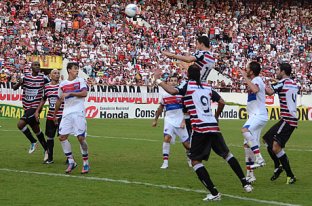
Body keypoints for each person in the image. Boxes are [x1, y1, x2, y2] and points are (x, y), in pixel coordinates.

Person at [154, 64, 253, 201]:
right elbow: (222, 102)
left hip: (200, 128)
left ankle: (214, 193)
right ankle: (245, 183)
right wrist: (216, 116)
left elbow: (172, 91)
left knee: (195, 161)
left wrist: (158, 80)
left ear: (188, 75)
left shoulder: (187, 85)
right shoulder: (207, 86)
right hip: (213, 125)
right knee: (227, 154)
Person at [263, 63, 298, 184]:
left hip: (288, 119)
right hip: (288, 118)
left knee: (276, 147)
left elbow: (269, 92)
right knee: (267, 139)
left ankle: (290, 175)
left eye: (278, 70)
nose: (277, 72)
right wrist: (275, 82)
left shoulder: (283, 83)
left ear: (282, 72)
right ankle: (278, 166)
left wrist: (260, 82)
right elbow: (283, 88)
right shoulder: (293, 83)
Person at [53, 62, 89, 174]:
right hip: (66, 114)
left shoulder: (80, 81)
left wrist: (71, 94)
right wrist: (54, 115)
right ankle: (71, 161)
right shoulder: (63, 84)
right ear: (69, 70)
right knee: (62, 137)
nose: (77, 71)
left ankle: (86, 163)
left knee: (81, 139)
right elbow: (59, 99)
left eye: (77, 69)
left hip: (78, 112)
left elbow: (84, 93)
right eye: (74, 69)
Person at [152, 75, 191, 169]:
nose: (173, 82)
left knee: (187, 145)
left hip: (180, 120)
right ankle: (165, 162)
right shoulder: (164, 94)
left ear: (177, 82)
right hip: (169, 120)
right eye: (171, 81)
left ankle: (189, 158)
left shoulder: (181, 94)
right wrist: (155, 119)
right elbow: (161, 107)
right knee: (167, 138)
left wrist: (184, 121)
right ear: (168, 82)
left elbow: (187, 109)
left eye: (175, 81)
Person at [13, 61, 49, 160]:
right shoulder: (25, 77)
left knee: (20, 124)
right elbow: (14, 88)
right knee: (36, 129)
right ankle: (47, 150)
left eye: (38, 65)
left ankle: (33, 142)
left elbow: (49, 88)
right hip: (27, 106)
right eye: (35, 65)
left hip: (36, 107)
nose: (37, 67)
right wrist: (19, 83)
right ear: (31, 67)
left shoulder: (44, 78)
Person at [239, 62, 268, 183]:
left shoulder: (256, 79)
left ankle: (259, 158)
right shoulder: (257, 80)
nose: (246, 70)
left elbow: (255, 89)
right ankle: (250, 174)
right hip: (254, 116)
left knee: (244, 130)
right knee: (247, 145)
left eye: (247, 69)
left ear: (251, 71)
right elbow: (267, 91)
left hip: (258, 115)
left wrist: (245, 77)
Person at [35, 69, 64, 164]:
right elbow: (43, 100)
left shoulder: (62, 86)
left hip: (62, 116)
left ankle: (69, 157)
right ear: (50, 76)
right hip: (50, 116)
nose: (57, 75)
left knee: (63, 137)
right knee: (50, 138)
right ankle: (50, 158)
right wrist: (37, 111)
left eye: (58, 73)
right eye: (55, 73)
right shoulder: (46, 87)